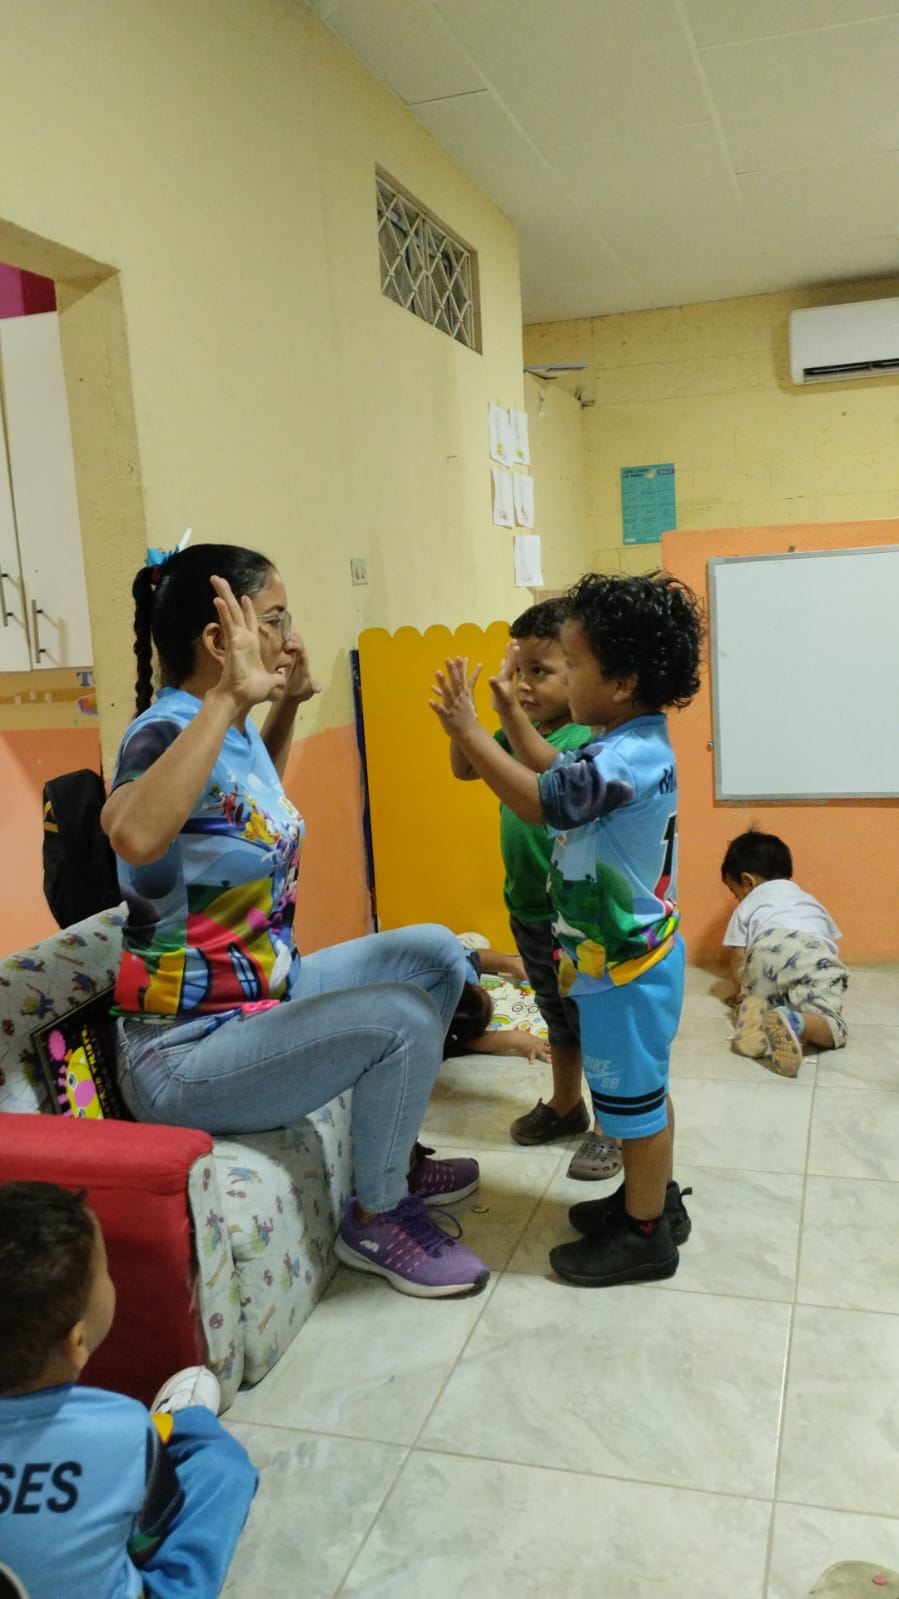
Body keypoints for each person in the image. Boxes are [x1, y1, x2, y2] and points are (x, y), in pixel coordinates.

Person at [103, 542, 488, 1301]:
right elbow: (135, 834)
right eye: (275, 619)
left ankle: (392, 1158)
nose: (290, 636)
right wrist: (229, 700)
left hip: (265, 997)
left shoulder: (232, 728)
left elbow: (244, 815)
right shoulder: (163, 731)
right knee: (402, 1018)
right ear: (219, 640)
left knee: (438, 955)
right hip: (185, 1050)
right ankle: (377, 1217)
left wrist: (280, 707)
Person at [430, 571, 703, 1288]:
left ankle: (646, 1235)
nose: (562, 676)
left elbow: (540, 801)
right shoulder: (626, 740)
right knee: (636, 1093)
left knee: (635, 1104)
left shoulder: (626, 755)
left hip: (625, 968)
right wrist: (504, 715)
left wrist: (468, 728)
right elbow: (555, 767)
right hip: (617, 959)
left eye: (572, 664)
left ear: (621, 682)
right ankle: (650, 1200)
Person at [0, 1180, 258, 1599]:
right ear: (76, 1341)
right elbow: (145, 1542)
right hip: (129, 1457)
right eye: (105, 1273)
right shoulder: (124, 1427)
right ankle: (183, 1420)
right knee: (222, 1466)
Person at [448, 599, 622, 1182]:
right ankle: (567, 1105)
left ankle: (611, 1128)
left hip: (580, 915)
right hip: (527, 905)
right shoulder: (517, 729)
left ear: (579, 672)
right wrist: (463, 721)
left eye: (540, 672)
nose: (523, 685)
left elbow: (552, 784)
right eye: (519, 671)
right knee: (556, 1013)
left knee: (593, 1018)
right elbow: (465, 769)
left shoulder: (584, 739)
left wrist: (493, 725)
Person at [722, 828, 848, 1076]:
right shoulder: (809, 901)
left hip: (766, 948)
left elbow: (738, 957)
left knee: (757, 1000)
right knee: (832, 1025)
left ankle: (756, 1019)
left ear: (748, 881)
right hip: (814, 952)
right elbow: (830, 943)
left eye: (734, 893)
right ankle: (795, 1021)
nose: (737, 900)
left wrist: (740, 993)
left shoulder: (747, 907)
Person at [444, 938, 552, 1062]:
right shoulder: (439, 1032)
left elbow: (478, 956)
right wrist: (517, 1039)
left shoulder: (460, 969)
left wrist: (513, 964)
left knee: (475, 940)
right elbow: (466, 1042)